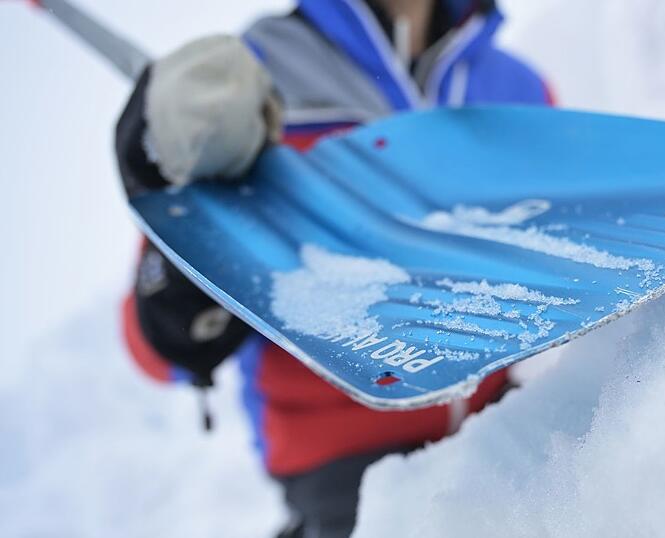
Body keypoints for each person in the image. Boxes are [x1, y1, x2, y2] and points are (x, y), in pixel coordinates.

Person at [115, 1, 553, 536]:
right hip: (341, 461)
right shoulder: (237, 86)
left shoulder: (515, 89)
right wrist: (169, 204)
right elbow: (155, 350)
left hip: (497, 421)